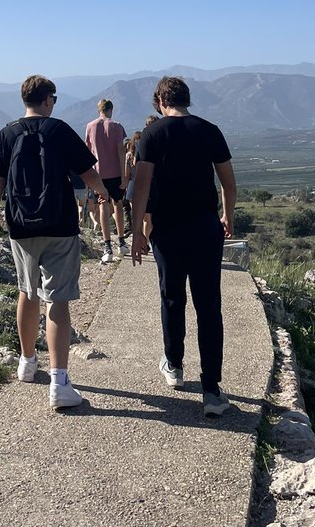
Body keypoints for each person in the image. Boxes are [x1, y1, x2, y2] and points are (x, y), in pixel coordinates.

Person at [0, 74, 109, 411]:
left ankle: (26, 362)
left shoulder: (7, 134)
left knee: (27, 291)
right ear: (48, 99)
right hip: (60, 226)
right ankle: (60, 382)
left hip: (21, 228)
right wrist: (103, 194)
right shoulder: (60, 130)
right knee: (58, 301)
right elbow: (87, 174)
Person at [130, 76, 237, 417]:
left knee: (172, 297)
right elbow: (229, 183)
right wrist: (227, 217)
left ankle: (174, 366)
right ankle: (212, 392)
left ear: (161, 101)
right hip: (205, 228)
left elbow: (142, 188)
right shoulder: (210, 130)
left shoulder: (153, 134)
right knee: (209, 307)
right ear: (187, 99)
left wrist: (137, 233)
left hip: (168, 230)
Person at [85, 99, 127, 262]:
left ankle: (107, 245)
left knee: (102, 207)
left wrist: (88, 179)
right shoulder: (116, 126)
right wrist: (124, 177)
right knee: (118, 205)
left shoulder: (90, 126)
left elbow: (88, 152)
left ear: (99, 110)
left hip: (97, 174)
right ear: (110, 109)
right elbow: (121, 152)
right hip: (115, 173)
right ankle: (121, 242)